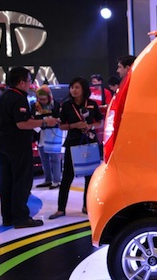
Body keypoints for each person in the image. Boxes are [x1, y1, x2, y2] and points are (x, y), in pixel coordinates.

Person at [0, 67, 59, 228]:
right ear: (21, 82)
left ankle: (9, 216)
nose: (30, 84)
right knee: (21, 180)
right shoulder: (18, 98)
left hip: (4, 145)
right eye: (29, 80)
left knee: (8, 181)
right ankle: (21, 218)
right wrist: (45, 122)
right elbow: (22, 124)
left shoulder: (4, 96)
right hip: (17, 146)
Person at [49, 77, 103, 219]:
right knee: (67, 176)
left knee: (89, 177)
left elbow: (100, 122)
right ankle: (61, 209)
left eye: (77, 87)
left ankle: (87, 206)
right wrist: (74, 126)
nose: (74, 90)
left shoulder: (92, 104)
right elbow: (61, 126)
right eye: (72, 87)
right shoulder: (66, 105)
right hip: (72, 143)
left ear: (84, 89)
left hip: (89, 143)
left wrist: (90, 126)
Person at [31, 85, 63, 189]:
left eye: (44, 99)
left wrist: (44, 120)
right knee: (44, 159)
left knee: (55, 158)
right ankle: (48, 179)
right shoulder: (34, 106)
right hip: (40, 134)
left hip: (53, 134)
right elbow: (33, 119)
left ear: (49, 97)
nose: (42, 101)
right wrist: (45, 120)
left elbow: (57, 119)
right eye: (40, 99)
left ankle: (57, 180)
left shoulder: (56, 105)